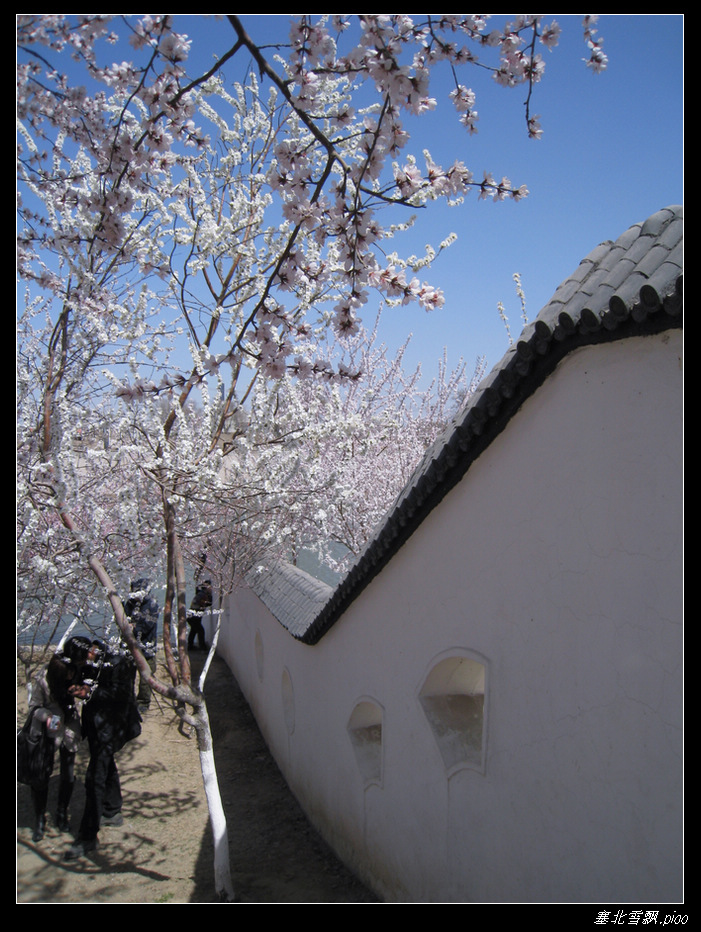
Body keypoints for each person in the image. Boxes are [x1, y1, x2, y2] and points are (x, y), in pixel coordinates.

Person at [63, 639, 142, 860]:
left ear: (89, 652)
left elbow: (122, 696)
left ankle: (87, 837)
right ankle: (112, 809)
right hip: (97, 726)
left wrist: (88, 693)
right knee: (106, 766)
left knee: (94, 778)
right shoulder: (89, 663)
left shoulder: (116, 662)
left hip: (111, 726)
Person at [25, 636, 91, 841]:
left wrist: (82, 692)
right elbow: (34, 706)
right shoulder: (45, 677)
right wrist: (49, 718)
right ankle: (39, 818)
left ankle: (62, 811)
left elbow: (87, 691)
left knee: (68, 772)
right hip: (49, 727)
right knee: (42, 775)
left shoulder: (79, 671)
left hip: (69, 725)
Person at [123, 578, 159, 710]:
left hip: (146, 647)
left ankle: (144, 702)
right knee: (127, 675)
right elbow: (123, 617)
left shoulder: (152, 604)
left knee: (146, 678)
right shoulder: (130, 603)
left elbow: (148, 624)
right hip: (130, 646)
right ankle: (128, 699)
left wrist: (134, 627)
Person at [187, 579, 212, 651]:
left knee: (194, 630)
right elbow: (207, 603)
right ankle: (202, 648)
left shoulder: (200, 593)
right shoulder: (203, 595)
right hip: (194, 616)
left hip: (191, 616)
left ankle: (190, 646)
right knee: (200, 631)